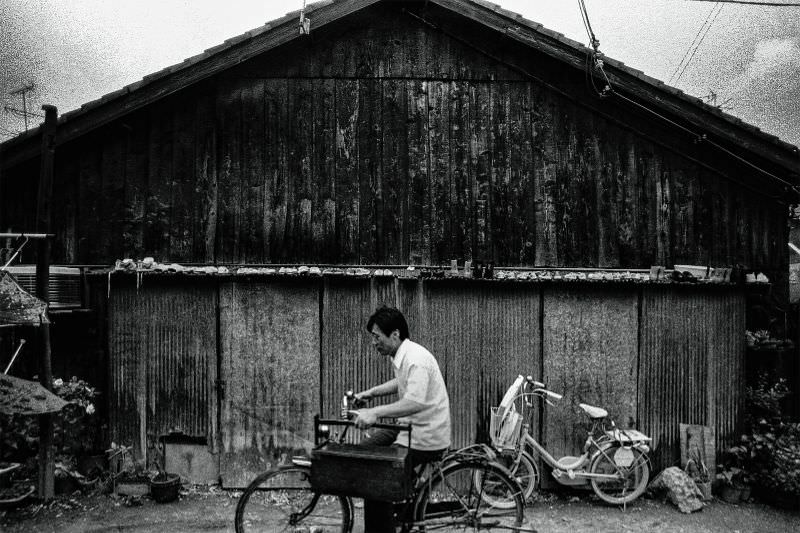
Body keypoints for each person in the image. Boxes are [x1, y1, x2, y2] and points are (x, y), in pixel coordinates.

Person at [350, 306, 451, 533]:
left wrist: (375, 412)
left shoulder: (416, 359)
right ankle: (394, 507)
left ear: (394, 334)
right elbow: (402, 382)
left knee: (378, 480)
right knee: (365, 450)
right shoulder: (403, 354)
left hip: (425, 435)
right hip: (409, 427)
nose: (374, 343)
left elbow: (414, 402)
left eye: (377, 337)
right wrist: (372, 393)